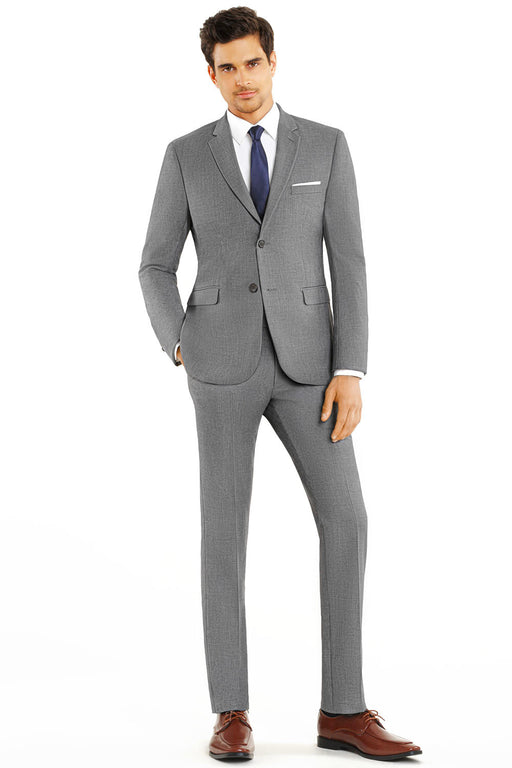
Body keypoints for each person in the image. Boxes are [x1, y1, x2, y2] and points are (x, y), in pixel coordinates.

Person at [138, 6, 421, 762]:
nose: (242, 80)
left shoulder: (325, 144)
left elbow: (349, 262)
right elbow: (155, 264)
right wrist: (179, 342)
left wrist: (350, 368)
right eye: (227, 68)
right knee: (224, 535)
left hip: (311, 367)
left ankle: (344, 710)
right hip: (219, 365)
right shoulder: (185, 155)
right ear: (211, 75)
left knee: (348, 520)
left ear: (273, 62)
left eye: (252, 63)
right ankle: (230, 711)